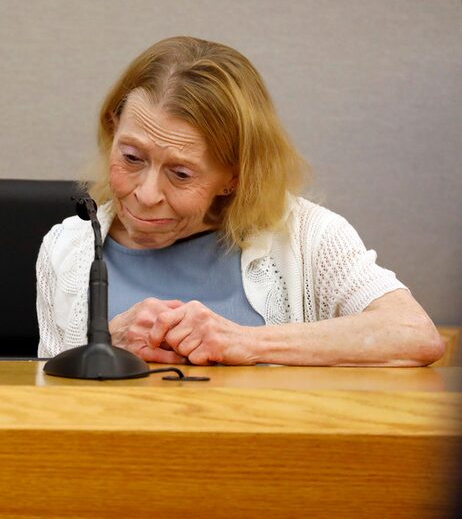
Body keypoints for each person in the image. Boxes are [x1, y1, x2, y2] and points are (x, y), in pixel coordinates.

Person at [36, 36, 444, 366]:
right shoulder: (67, 248)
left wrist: (246, 342)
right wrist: (106, 343)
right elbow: (48, 398)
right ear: (113, 129)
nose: (145, 194)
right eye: (131, 158)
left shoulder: (308, 236)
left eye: (180, 174)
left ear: (233, 176)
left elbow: (414, 334)